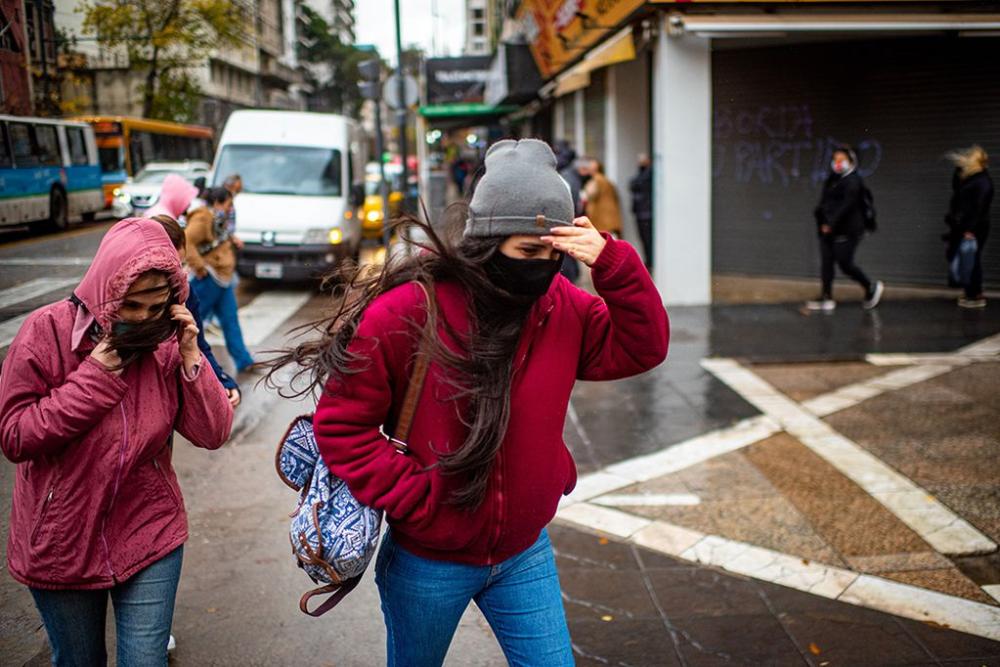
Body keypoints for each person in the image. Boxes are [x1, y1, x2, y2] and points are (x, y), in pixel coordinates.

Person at [267, 139, 669, 666]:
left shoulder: (562, 306)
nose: (543, 267)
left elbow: (643, 346)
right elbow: (343, 428)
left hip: (524, 551)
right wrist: (420, 500)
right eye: (529, 251)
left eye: (556, 253)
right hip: (428, 561)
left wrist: (613, 261)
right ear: (487, 240)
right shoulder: (408, 311)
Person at [0, 218, 233, 666]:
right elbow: (14, 435)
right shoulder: (44, 332)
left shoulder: (167, 343)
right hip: (61, 543)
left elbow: (213, 432)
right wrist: (95, 378)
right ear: (106, 291)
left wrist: (191, 355)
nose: (145, 319)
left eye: (157, 306)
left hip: (150, 532)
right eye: (132, 307)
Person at [151, 214, 241, 408]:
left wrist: (222, 380)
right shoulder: (111, 300)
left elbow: (199, 344)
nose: (176, 275)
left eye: (179, 266)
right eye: (163, 269)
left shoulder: (184, 292)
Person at [185, 187, 256, 373]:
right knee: (194, 324)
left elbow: (217, 239)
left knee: (230, 320)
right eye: (228, 204)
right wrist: (199, 267)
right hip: (209, 279)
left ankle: (244, 361)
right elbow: (186, 240)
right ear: (217, 203)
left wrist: (232, 240)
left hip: (222, 279)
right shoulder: (202, 217)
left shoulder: (216, 218)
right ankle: (194, 364)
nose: (230, 208)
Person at [806, 146, 884, 312]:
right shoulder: (833, 180)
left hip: (847, 230)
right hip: (827, 230)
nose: (838, 163)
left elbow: (846, 206)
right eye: (835, 160)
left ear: (851, 161)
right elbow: (825, 202)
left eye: (842, 160)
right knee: (827, 263)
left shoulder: (853, 181)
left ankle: (870, 287)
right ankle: (826, 297)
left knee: (844, 262)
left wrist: (831, 223)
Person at [945, 145, 993, 308]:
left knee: (971, 259)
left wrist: (970, 230)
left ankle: (975, 294)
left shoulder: (982, 182)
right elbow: (956, 187)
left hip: (973, 228)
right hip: (967, 227)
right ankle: (971, 292)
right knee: (969, 258)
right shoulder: (973, 179)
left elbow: (978, 208)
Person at [582, 159, 623, 237]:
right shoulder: (606, 180)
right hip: (610, 217)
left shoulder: (596, 180)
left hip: (601, 217)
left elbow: (590, 194)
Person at [629, 154, 654, 268]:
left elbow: (637, 183)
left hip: (647, 213)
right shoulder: (642, 172)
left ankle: (650, 262)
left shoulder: (650, 173)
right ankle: (648, 261)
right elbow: (632, 183)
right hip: (641, 212)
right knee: (643, 239)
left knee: (648, 240)